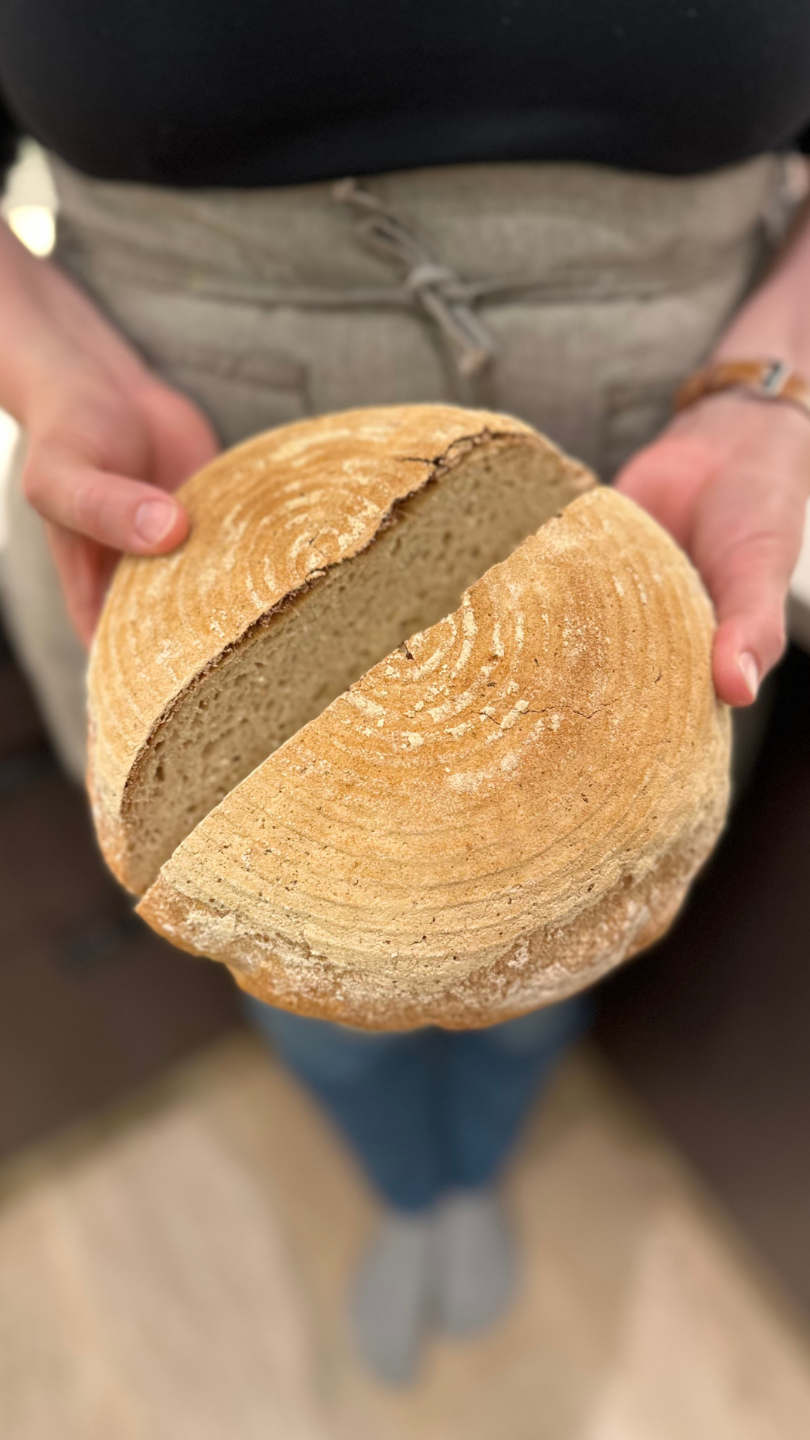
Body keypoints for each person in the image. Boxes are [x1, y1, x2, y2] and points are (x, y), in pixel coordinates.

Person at [1, 3, 810, 1385]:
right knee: (305, 980)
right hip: (183, 454)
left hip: (656, 457)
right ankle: (405, 1187)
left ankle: (472, 1170)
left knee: (538, 957)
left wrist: (771, 383)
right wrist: (44, 353)